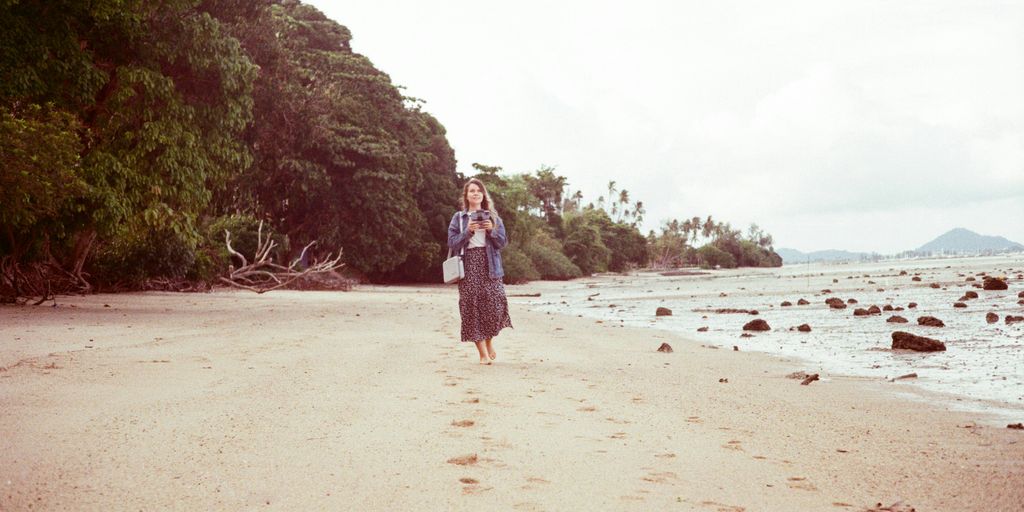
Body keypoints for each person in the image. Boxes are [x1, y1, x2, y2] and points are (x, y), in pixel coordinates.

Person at [447, 178, 513, 365]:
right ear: (466, 196)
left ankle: (489, 340)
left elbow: (502, 243)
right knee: (471, 308)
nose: (475, 193)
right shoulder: (459, 218)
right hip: (468, 265)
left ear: (483, 195)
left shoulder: (493, 217)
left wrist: (492, 230)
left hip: (490, 264)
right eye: (471, 191)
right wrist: (467, 232)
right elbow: (452, 242)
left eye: (478, 191)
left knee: (495, 305)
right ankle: (482, 353)